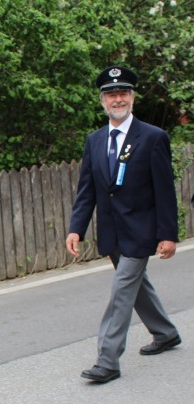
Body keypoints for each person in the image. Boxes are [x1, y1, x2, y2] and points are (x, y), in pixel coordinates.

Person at [66, 65, 181, 383]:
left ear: (132, 97)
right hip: (111, 232)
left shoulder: (153, 138)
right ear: (102, 101)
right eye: (111, 95)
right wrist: (76, 228)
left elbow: (165, 191)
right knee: (137, 286)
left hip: (142, 231)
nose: (117, 99)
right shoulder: (94, 140)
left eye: (123, 93)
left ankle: (108, 361)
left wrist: (168, 235)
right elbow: (87, 190)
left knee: (121, 292)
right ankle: (166, 333)